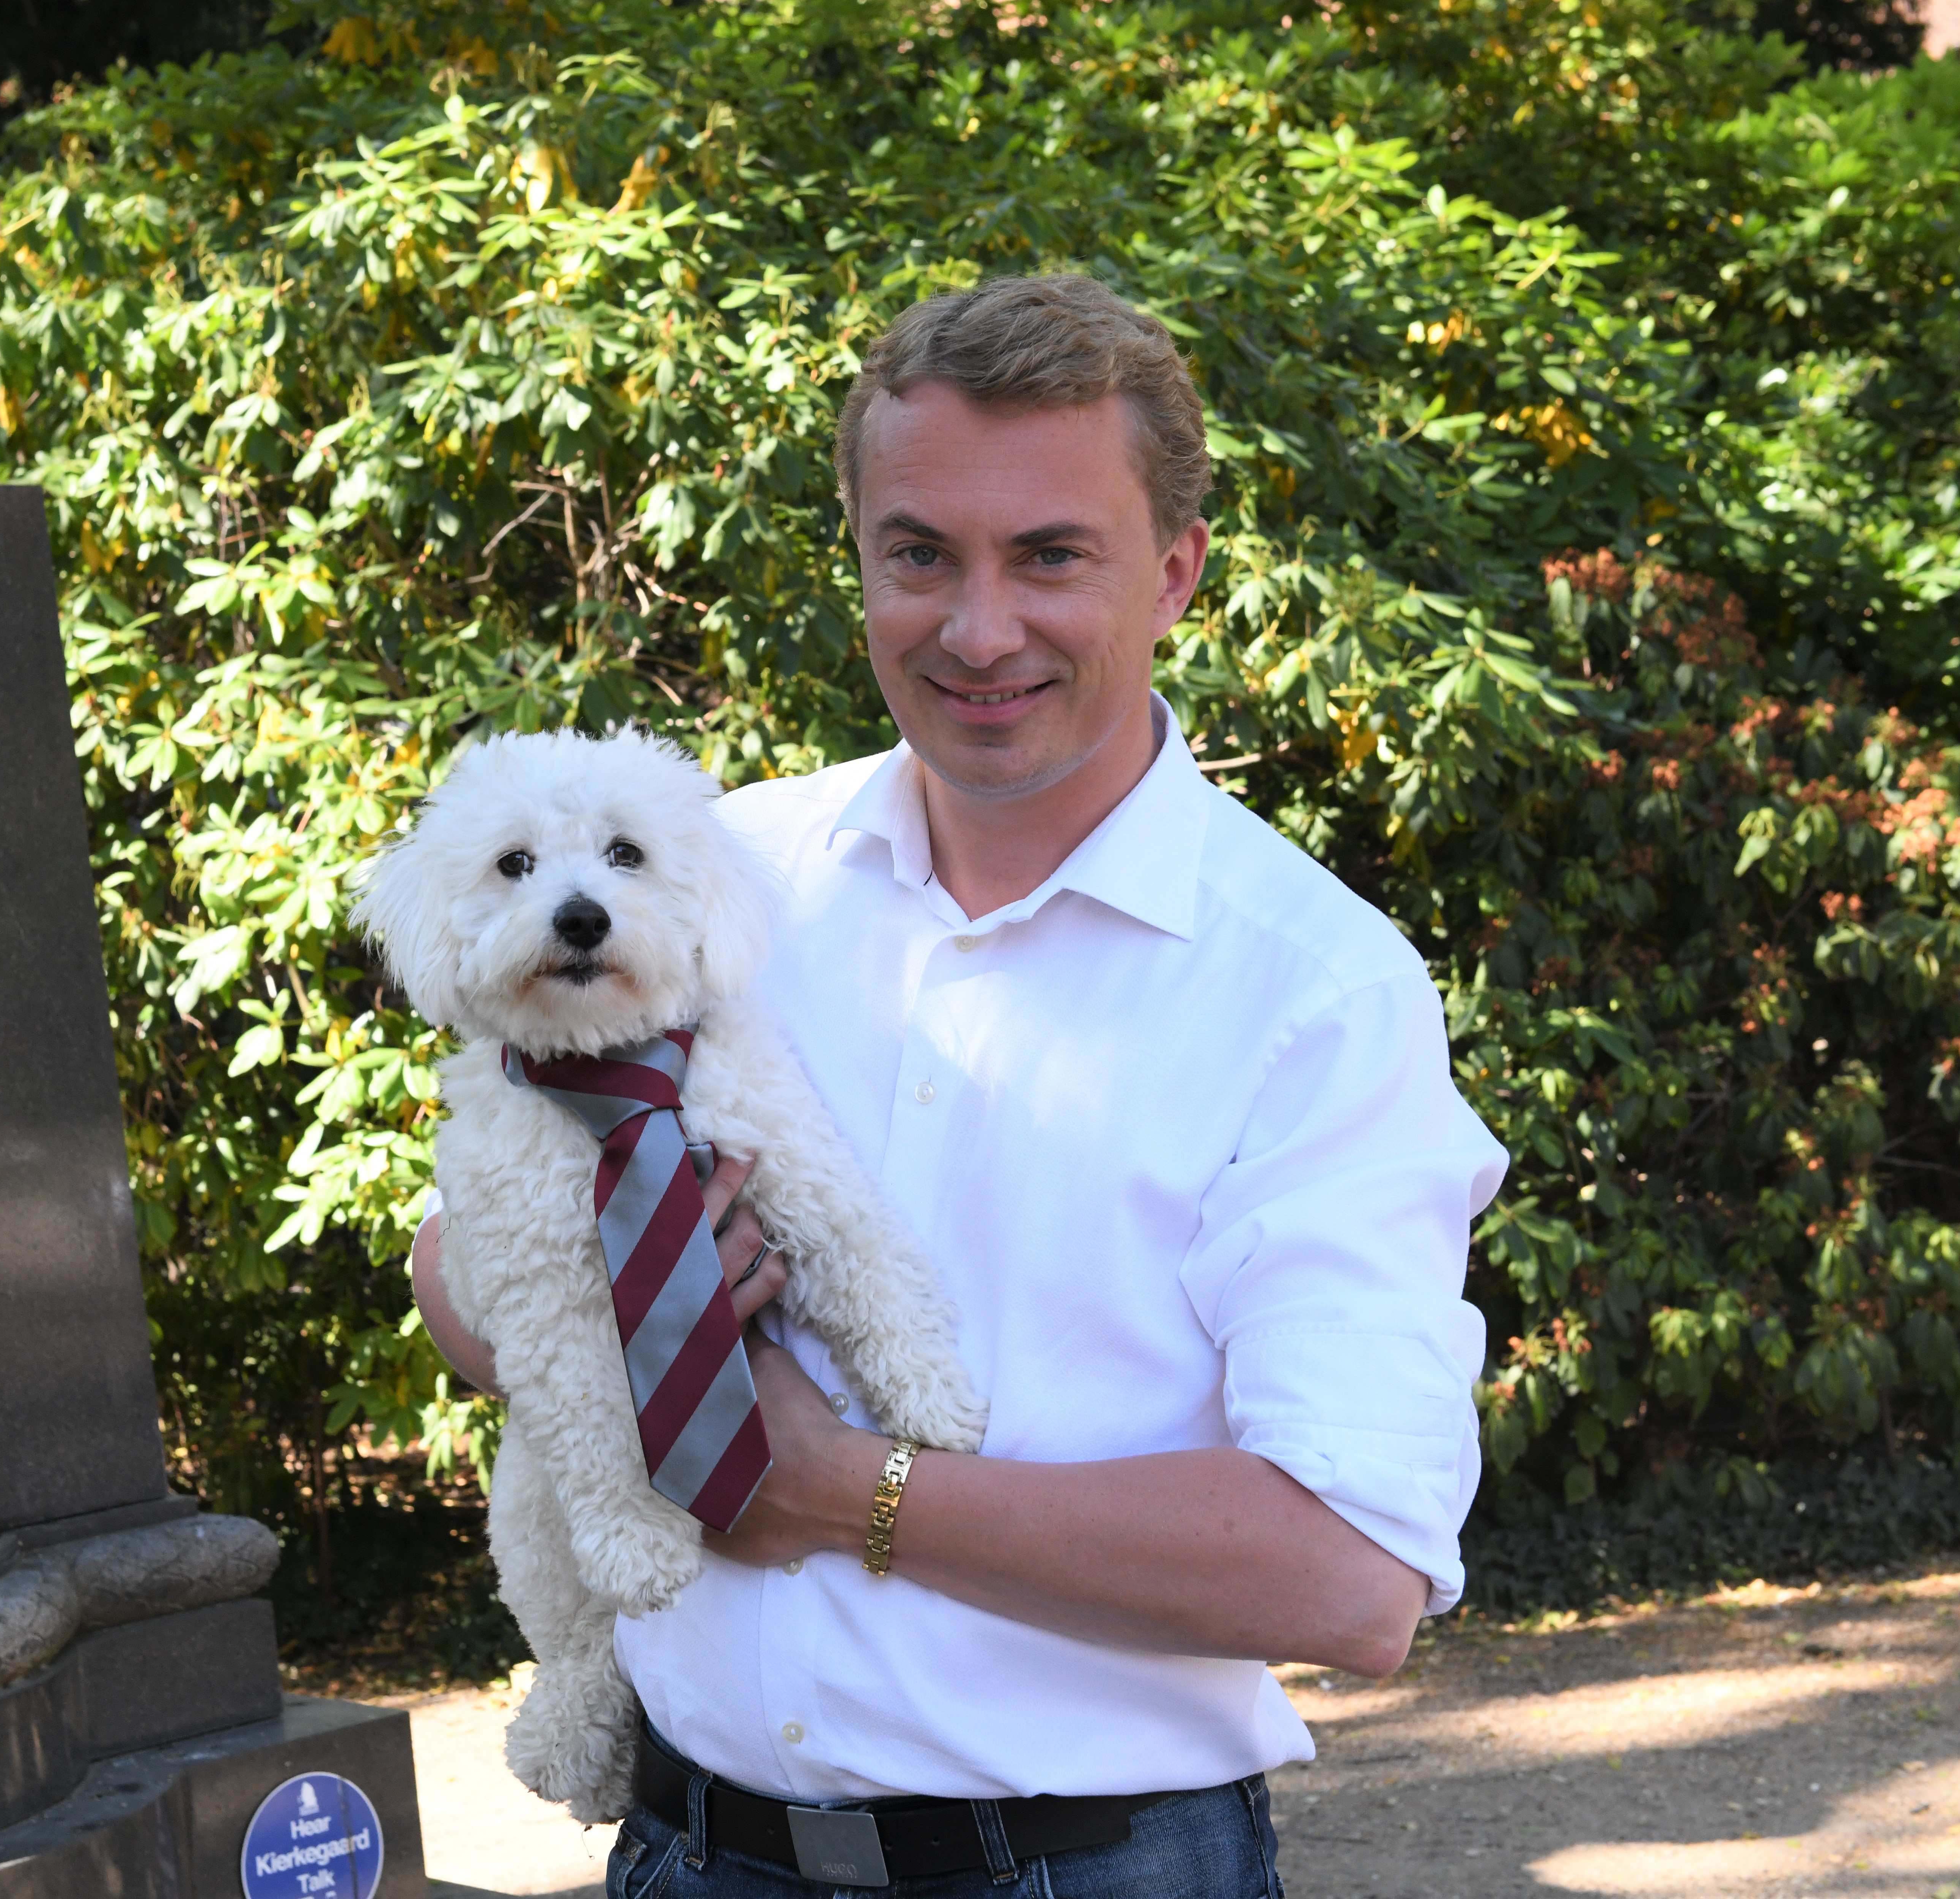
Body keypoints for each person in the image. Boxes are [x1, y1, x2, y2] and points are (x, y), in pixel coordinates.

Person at [413, 274, 1505, 1897]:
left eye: (1051, 556)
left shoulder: (1314, 990)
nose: (978, 630)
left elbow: (1350, 1578)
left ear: (1177, 571)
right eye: (920, 554)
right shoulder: (712, 876)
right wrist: (622, 1315)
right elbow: (459, 1264)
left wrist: (838, 1491)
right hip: (687, 1850)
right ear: (860, 557)